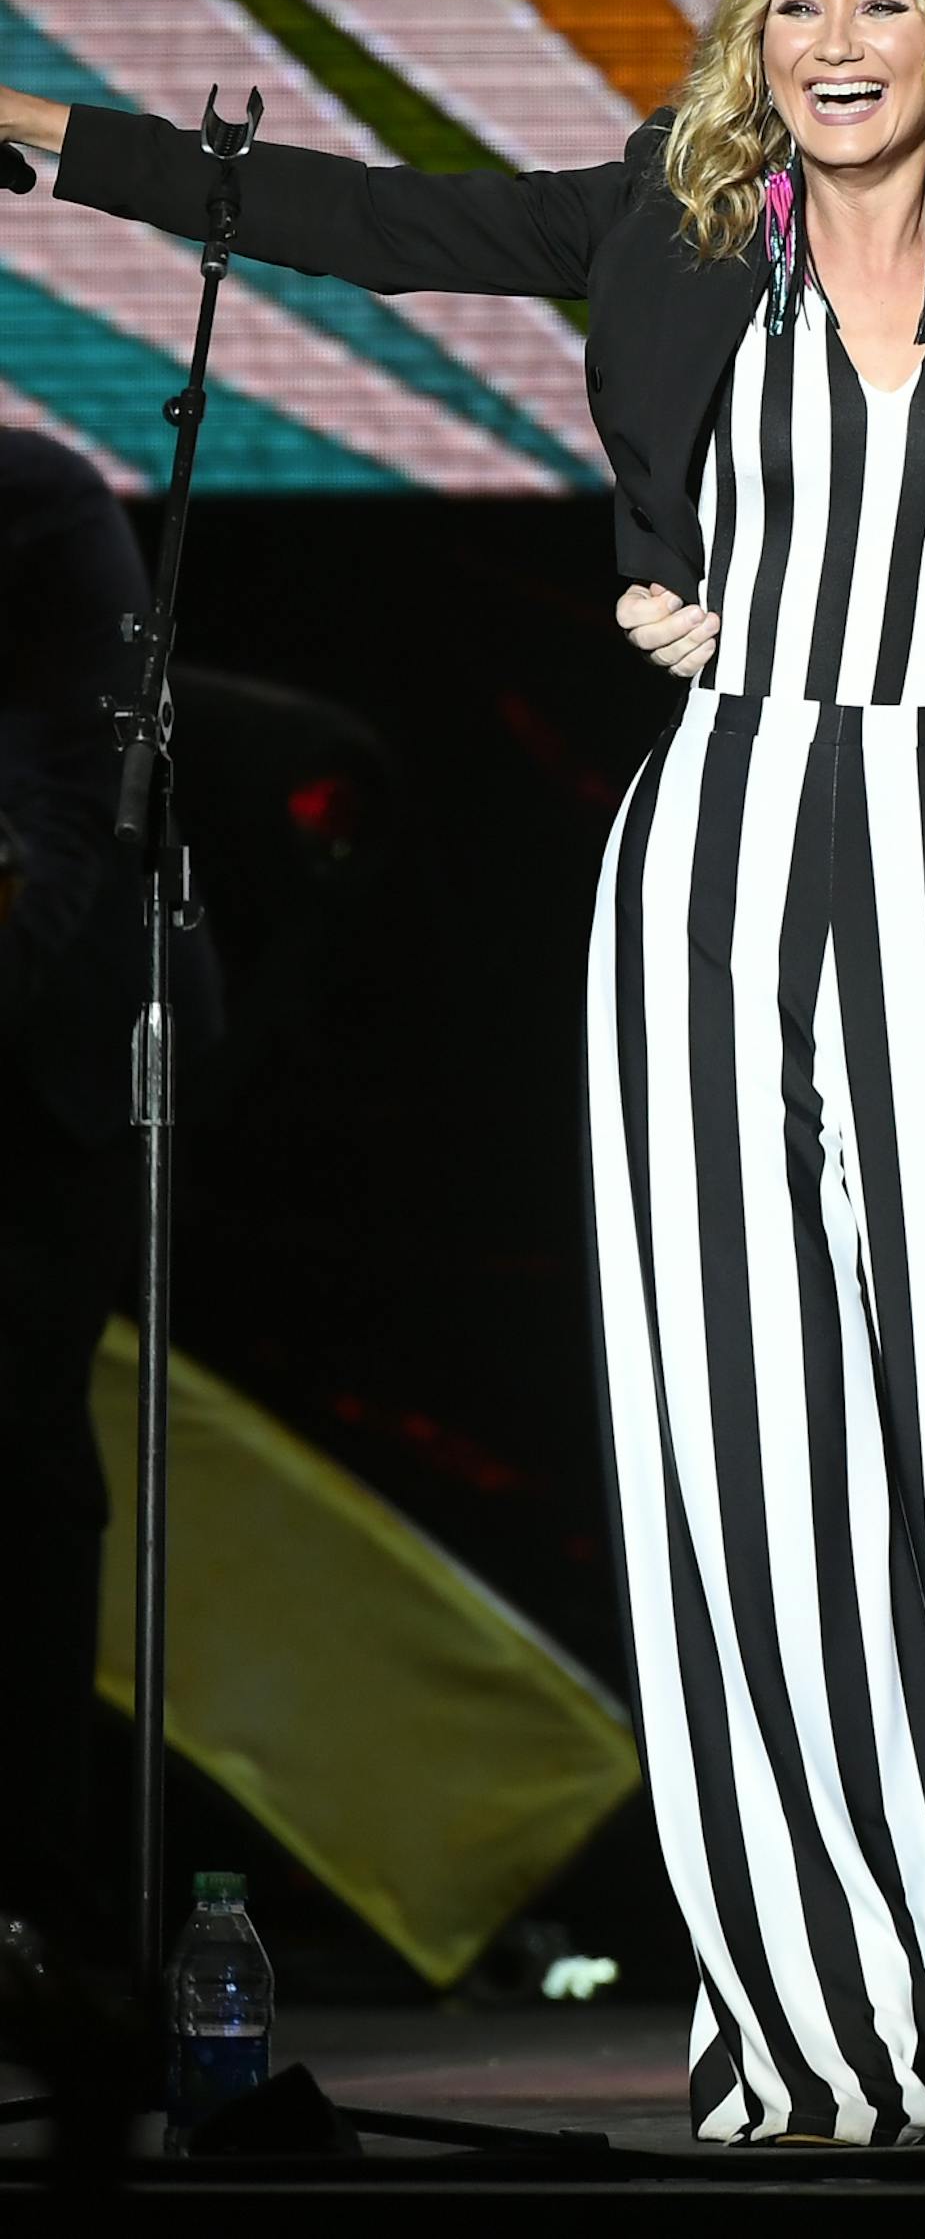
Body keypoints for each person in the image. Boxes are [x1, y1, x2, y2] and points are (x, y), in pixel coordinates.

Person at [0, 0, 925, 2144]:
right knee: (729, 1450)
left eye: (881, 4)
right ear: (755, 44)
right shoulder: (675, 230)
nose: (838, 45)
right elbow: (368, 221)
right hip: (723, 849)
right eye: (798, 11)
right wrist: (44, 133)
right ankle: (794, 2027)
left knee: (924, 1454)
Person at [0, 429, 218, 1969]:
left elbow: (79, 815)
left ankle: (39, 1901)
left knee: (17, 1443)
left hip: (54, 1049)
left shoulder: (36, 505)